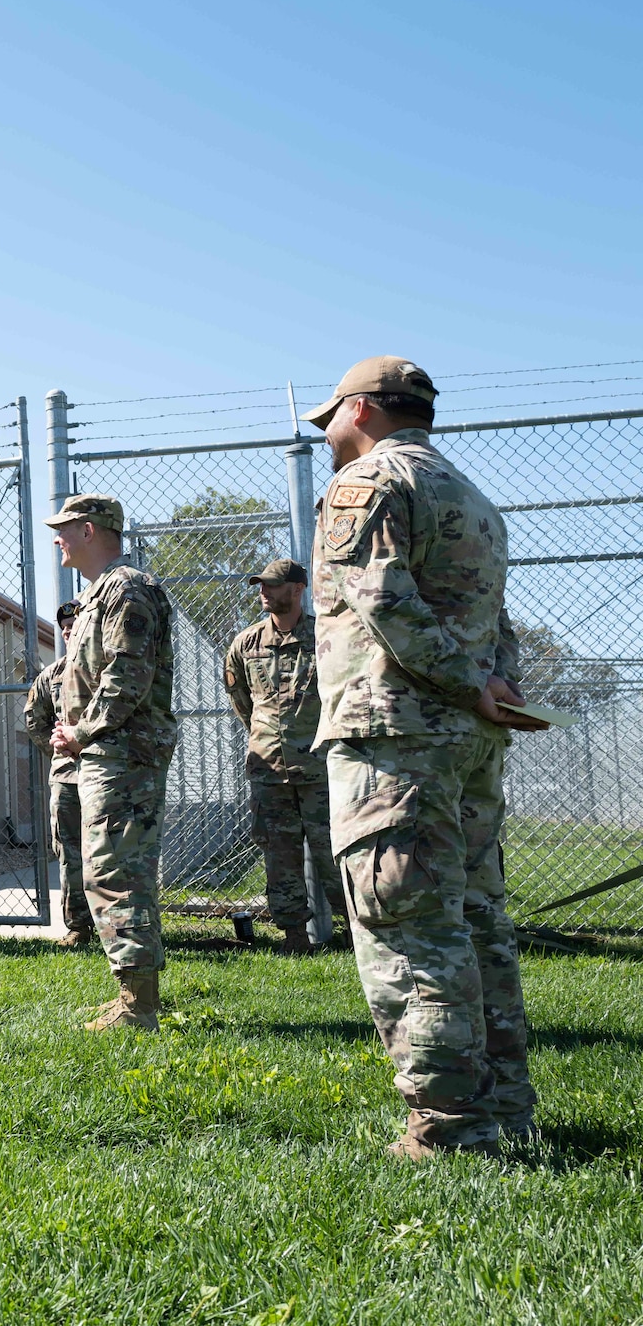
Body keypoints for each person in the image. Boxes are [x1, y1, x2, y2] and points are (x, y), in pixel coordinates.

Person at [303, 355, 543, 1160]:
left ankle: (450, 1127)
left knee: (409, 925)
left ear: (365, 409)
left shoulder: (366, 484)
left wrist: (468, 680)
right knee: (476, 921)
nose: (327, 434)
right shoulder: (473, 498)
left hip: (394, 732)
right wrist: (491, 685)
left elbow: (385, 601)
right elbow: (495, 617)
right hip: (466, 739)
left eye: (332, 416)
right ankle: (505, 1103)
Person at [46, 494, 178, 1030]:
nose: (57, 537)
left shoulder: (125, 589)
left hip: (121, 753)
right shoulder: (103, 593)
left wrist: (81, 730)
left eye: (63, 528)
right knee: (112, 870)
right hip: (110, 751)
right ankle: (134, 993)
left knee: (118, 873)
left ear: (89, 529)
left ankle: (138, 1006)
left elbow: (126, 678)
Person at [224, 559, 344, 953]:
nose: (264, 591)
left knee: (336, 853)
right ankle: (293, 936)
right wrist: (267, 738)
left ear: (298, 589)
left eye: (273, 585)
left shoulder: (326, 637)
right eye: (261, 585)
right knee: (279, 855)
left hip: (321, 769)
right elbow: (244, 703)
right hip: (269, 770)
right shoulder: (246, 644)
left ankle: (359, 933)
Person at [23, 601, 92, 947]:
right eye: (63, 628)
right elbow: (34, 717)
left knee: (113, 849)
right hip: (66, 777)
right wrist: (57, 748)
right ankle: (79, 925)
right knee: (70, 852)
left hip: (105, 772)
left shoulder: (107, 669)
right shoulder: (53, 674)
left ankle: (120, 925)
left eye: (73, 625)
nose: (67, 631)